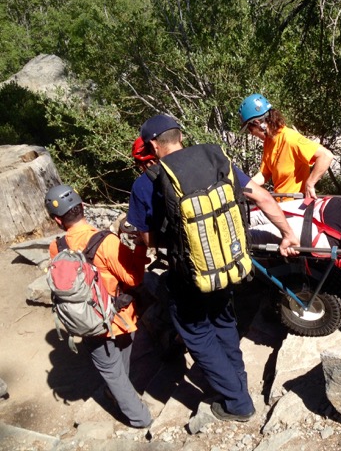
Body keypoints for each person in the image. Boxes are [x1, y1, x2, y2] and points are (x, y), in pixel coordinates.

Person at [128, 114, 300, 427]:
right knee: (223, 320)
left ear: (153, 145)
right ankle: (236, 379)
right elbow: (261, 196)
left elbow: (148, 239)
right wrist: (288, 234)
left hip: (189, 274)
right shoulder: (215, 159)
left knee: (197, 333)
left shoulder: (146, 182)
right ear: (180, 135)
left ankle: (237, 402)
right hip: (228, 263)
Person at [45, 184, 153, 428]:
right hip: (119, 316)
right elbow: (133, 278)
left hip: (87, 320)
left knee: (111, 368)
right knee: (117, 365)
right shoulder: (106, 242)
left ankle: (119, 394)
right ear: (82, 207)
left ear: (57, 220)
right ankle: (140, 418)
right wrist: (141, 247)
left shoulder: (57, 248)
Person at [238, 93, 334, 200]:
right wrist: (242, 187)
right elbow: (265, 174)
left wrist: (310, 183)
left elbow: (326, 155)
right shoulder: (268, 142)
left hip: (296, 205)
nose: (251, 133)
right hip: (280, 204)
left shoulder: (290, 138)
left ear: (258, 123)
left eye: (250, 129)